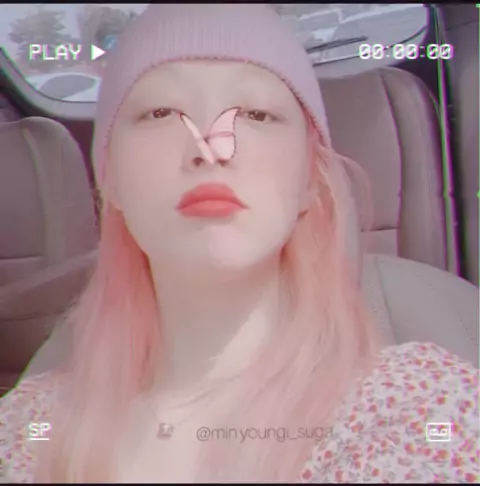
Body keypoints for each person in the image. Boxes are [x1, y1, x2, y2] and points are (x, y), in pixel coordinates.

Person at [0, 4, 478, 483]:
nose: (211, 148)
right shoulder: (26, 428)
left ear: (309, 180)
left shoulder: (424, 408)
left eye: (256, 114)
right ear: (111, 181)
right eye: (160, 113)